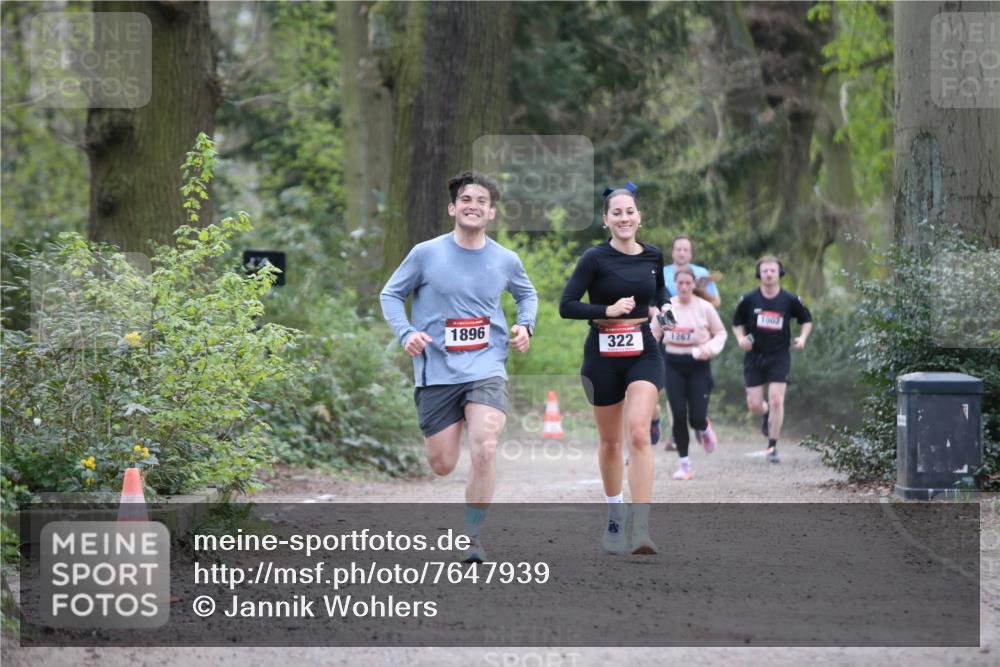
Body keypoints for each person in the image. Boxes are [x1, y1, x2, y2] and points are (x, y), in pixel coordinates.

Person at [380, 171, 538, 563]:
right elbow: (390, 293)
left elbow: (527, 293)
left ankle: (473, 537)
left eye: (481, 201)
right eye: (466, 199)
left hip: (486, 365)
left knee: (485, 445)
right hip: (437, 370)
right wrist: (406, 333)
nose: (473, 205)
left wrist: (525, 325)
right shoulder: (426, 253)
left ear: (491, 212)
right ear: (453, 208)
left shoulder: (505, 259)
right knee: (442, 464)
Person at [559, 182, 671, 555]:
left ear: (640, 217)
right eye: (616, 212)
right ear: (606, 220)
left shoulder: (653, 255)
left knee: (638, 434)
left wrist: (665, 309)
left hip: (644, 349)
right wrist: (605, 311)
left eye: (630, 211)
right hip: (602, 354)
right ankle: (614, 514)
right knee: (610, 442)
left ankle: (642, 528)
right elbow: (567, 305)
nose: (625, 218)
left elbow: (659, 294)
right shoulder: (594, 258)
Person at [731, 255, 812, 463]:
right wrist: (741, 339)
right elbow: (736, 322)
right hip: (754, 356)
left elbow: (806, 320)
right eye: (765, 270)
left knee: (777, 399)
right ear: (759, 274)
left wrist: (802, 338)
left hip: (779, 355)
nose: (768, 274)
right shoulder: (749, 300)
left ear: (779, 273)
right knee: (755, 405)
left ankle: (772, 446)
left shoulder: (790, 300)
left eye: (772, 270)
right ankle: (765, 414)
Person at [652, 234, 721, 449]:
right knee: (672, 390)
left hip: (695, 340)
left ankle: (700, 423)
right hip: (668, 338)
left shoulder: (700, 273)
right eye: (678, 249)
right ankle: (675, 433)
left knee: (695, 389)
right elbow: (653, 302)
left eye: (685, 249)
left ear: (690, 253)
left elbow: (715, 301)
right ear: (672, 252)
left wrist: (698, 308)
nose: (681, 253)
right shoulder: (662, 273)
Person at [661, 266, 727, 480]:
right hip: (673, 363)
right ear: (675, 285)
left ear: (693, 285)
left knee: (696, 419)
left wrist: (709, 348)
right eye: (679, 283)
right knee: (678, 414)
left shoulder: (705, 307)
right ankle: (684, 465)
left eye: (688, 283)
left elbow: (720, 333)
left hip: (698, 363)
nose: (684, 287)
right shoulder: (669, 306)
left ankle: (704, 427)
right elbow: (657, 332)